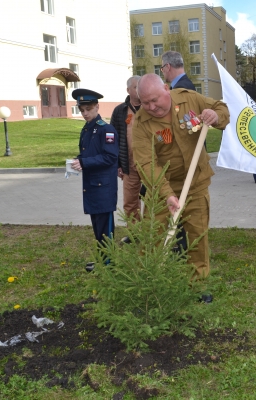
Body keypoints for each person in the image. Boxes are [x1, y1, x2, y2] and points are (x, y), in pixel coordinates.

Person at [132, 74, 229, 294]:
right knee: (153, 237)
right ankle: (148, 286)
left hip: (195, 183)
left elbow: (222, 109)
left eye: (155, 100)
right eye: (145, 103)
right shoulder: (141, 123)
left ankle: (197, 287)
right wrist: (167, 194)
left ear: (166, 88)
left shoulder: (189, 100)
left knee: (198, 236)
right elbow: (146, 163)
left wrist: (215, 115)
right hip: (160, 189)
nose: (151, 107)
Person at [70, 88, 118, 263]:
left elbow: (110, 157)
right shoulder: (87, 129)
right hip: (91, 186)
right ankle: (102, 260)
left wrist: (85, 162)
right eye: (81, 110)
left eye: (88, 109)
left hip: (104, 188)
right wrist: (78, 160)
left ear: (97, 107)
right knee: (98, 228)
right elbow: (89, 153)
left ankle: (109, 264)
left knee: (106, 229)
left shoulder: (107, 130)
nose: (84, 113)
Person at [111, 76, 142, 244]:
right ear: (128, 90)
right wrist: (117, 164)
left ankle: (154, 232)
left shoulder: (150, 107)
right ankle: (135, 233)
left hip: (149, 164)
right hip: (129, 164)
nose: (139, 90)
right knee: (130, 202)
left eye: (141, 87)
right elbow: (113, 139)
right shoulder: (120, 111)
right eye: (136, 87)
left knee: (154, 201)